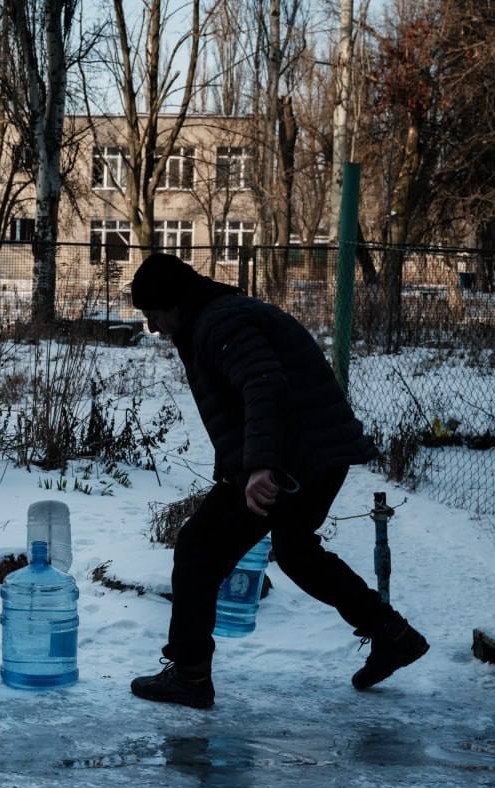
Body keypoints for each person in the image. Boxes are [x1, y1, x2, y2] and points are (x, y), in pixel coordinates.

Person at [127, 252, 428, 709]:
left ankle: (189, 675)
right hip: (318, 454)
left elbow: (264, 386)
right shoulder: (216, 317)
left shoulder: (221, 324)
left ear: (174, 303)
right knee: (297, 551)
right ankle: (394, 635)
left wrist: (262, 466)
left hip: (294, 459)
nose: (152, 327)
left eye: (153, 314)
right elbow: (239, 408)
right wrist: (240, 466)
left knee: (197, 550)